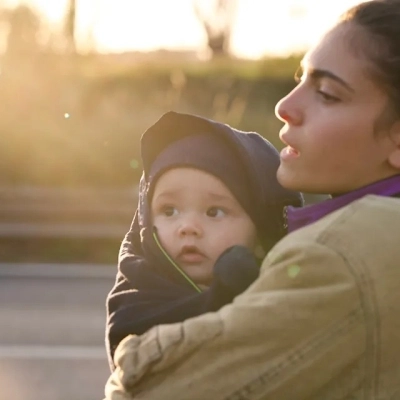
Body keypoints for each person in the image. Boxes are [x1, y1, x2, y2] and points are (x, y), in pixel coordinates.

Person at [104, 1, 400, 398]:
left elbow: (142, 389)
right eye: (300, 80)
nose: (285, 106)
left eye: (327, 94)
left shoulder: (347, 251)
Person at [105, 111, 303, 371]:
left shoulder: (289, 293)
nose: (188, 228)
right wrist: (224, 295)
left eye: (214, 212)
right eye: (169, 211)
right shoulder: (137, 298)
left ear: (261, 229)